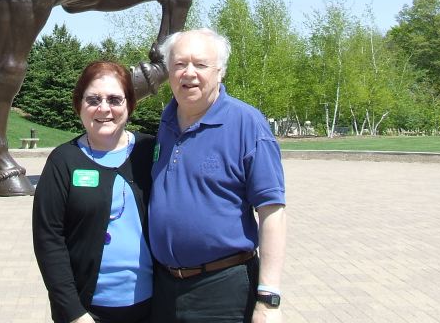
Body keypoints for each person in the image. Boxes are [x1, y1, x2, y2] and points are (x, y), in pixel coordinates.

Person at [149, 29, 286, 323]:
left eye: (200, 65)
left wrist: (268, 298)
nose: (189, 73)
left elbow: (272, 211)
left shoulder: (247, 124)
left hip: (222, 291)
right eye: (179, 64)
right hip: (163, 289)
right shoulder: (166, 122)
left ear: (220, 71)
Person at [33, 61, 156, 323]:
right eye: (93, 99)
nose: (104, 109)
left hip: (154, 304)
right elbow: (48, 239)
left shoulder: (151, 152)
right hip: (87, 310)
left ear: (129, 105)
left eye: (114, 99)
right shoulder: (64, 160)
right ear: (79, 105)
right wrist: (73, 311)